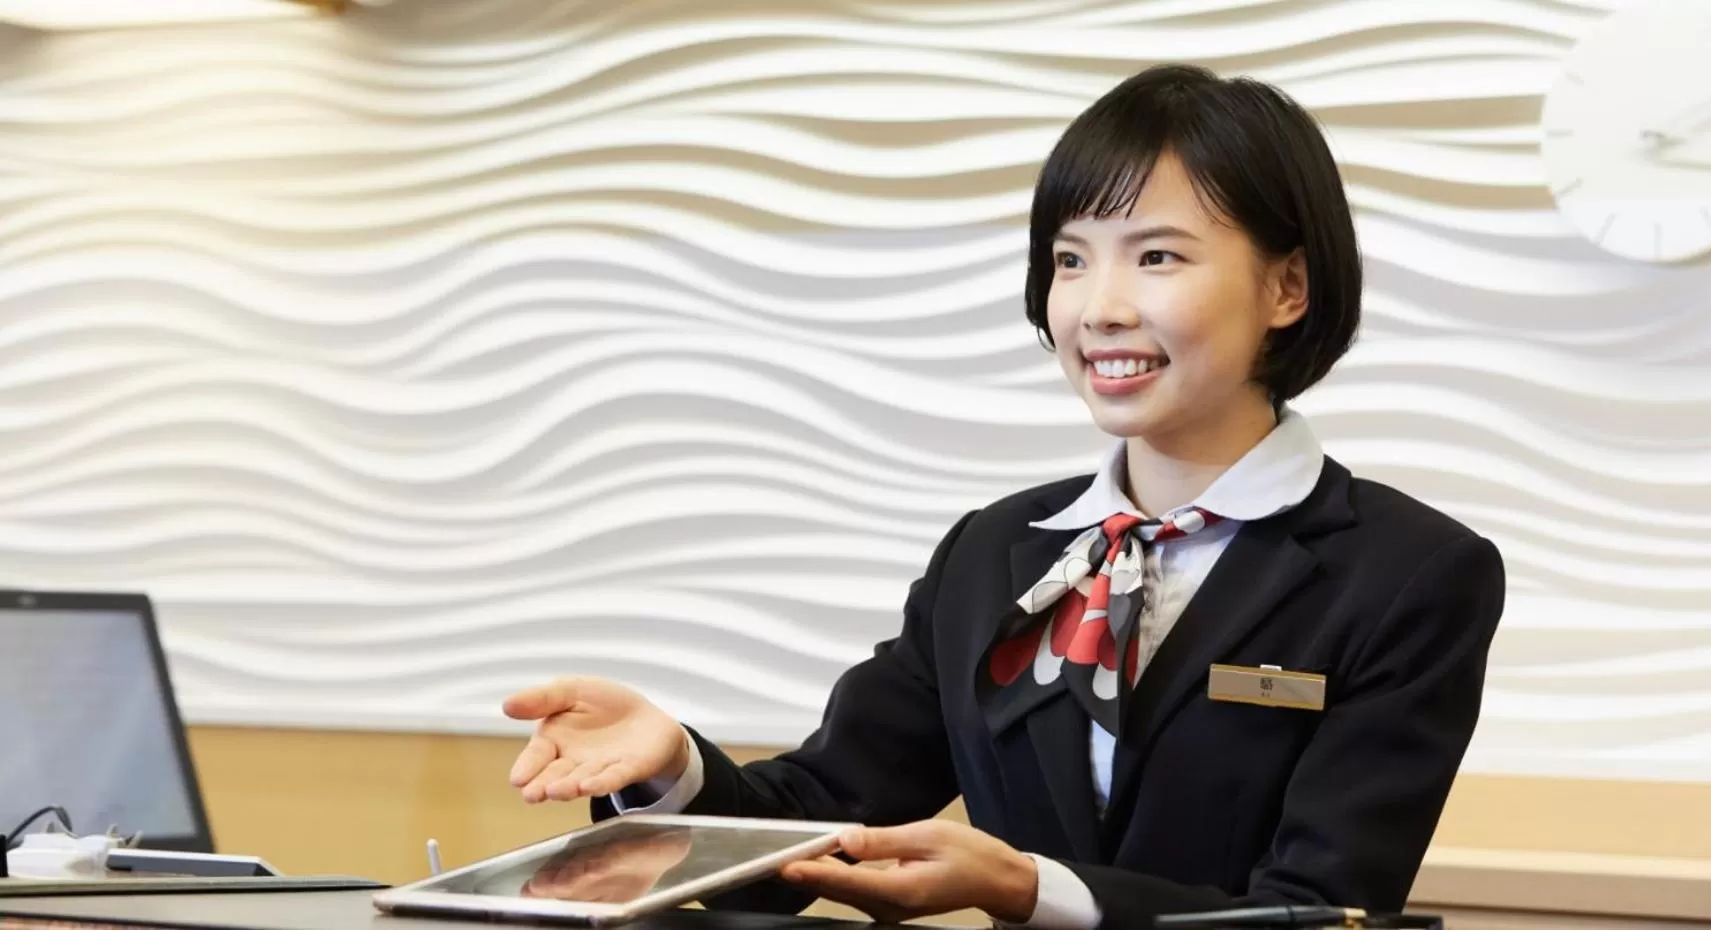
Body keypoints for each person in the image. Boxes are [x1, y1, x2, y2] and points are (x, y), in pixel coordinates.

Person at [502, 63, 1506, 930]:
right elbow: (808, 825)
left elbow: (1326, 908)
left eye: (1157, 256)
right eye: (1071, 258)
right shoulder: (997, 552)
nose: (1100, 307)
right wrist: (667, 763)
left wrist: (1032, 891)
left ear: (1287, 289)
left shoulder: (1411, 575)